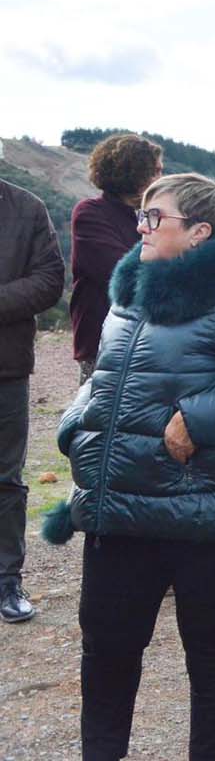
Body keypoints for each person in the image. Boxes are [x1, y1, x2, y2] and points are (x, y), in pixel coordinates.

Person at [50, 173, 215, 761]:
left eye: (153, 218)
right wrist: (76, 424)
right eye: (141, 215)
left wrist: (198, 418)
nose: (140, 227)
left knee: (211, 649)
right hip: (120, 507)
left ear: (198, 233)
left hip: (209, 511)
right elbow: (106, 378)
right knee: (107, 647)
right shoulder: (129, 294)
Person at [0, 172, 65, 624]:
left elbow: (49, 280)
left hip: (5, 368)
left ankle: (6, 580)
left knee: (5, 479)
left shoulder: (27, 207)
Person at [69, 133, 162, 383]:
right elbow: (120, 273)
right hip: (103, 340)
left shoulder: (151, 215)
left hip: (149, 338)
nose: (161, 179)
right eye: (155, 171)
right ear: (133, 173)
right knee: (99, 417)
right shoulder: (90, 213)